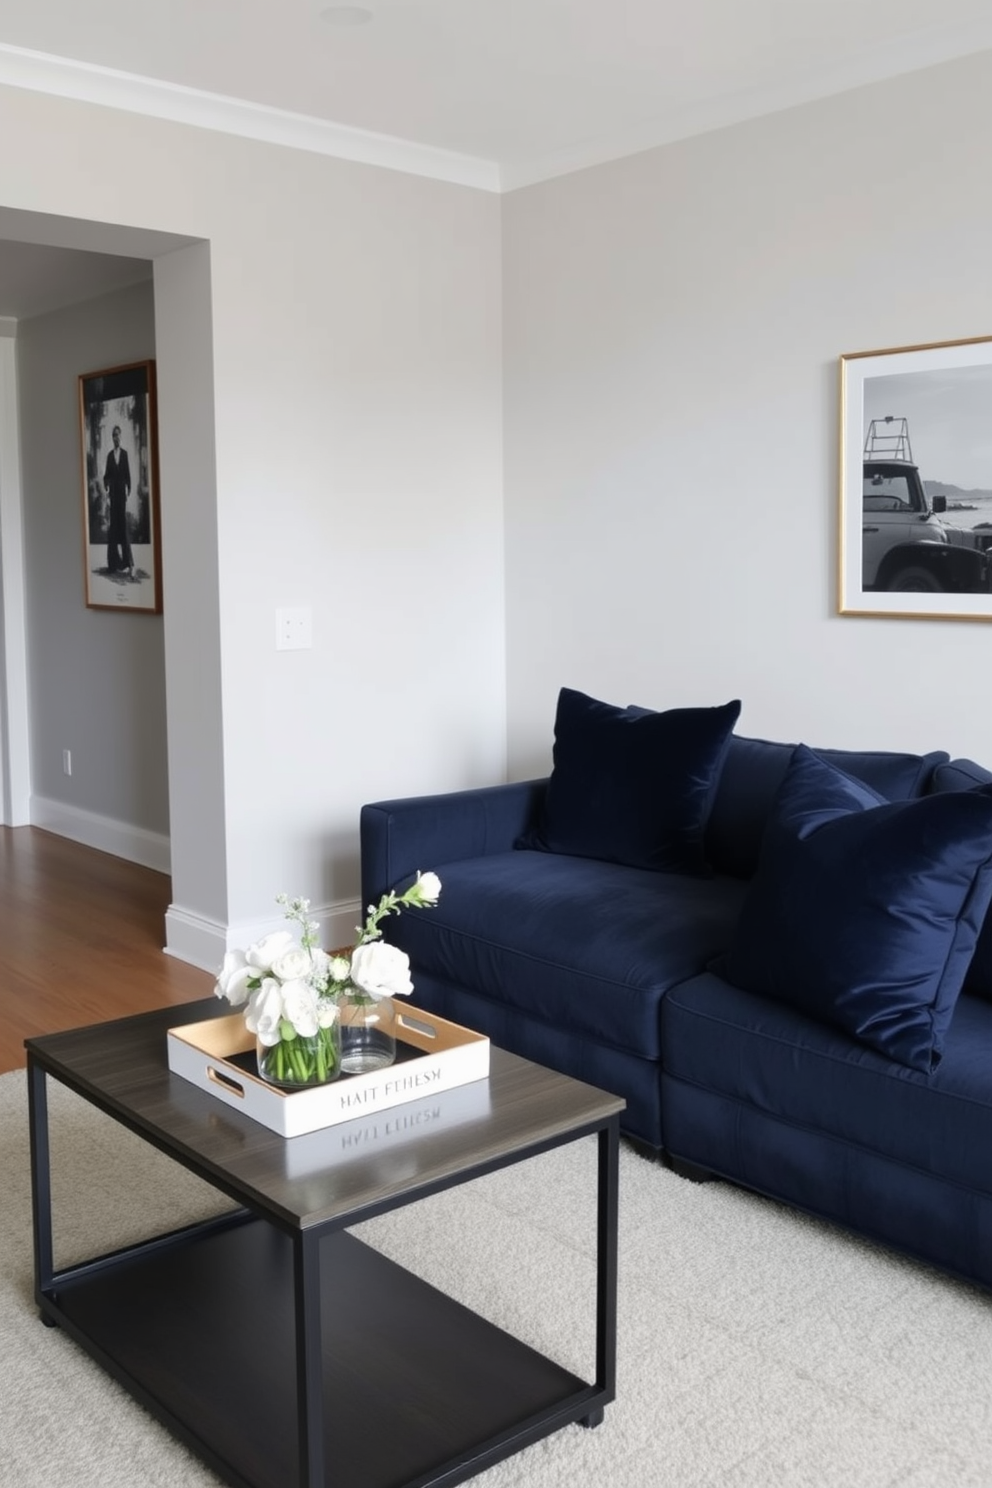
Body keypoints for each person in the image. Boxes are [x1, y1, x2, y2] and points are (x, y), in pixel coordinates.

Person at [103, 425, 133, 576]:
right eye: (114, 435)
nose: (116, 437)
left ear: (121, 437)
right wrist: (107, 489)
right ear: (112, 437)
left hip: (122, 497)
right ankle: (113, 564)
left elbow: (127, 475)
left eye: (118, 435)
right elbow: (106, 476)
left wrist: (128, 489)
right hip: (113, 497)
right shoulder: (109, 456)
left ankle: (129, 563)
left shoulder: (125, 455)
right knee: (113, 530)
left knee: (123, 528)